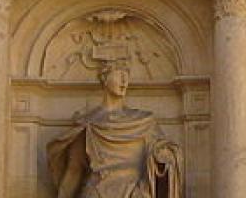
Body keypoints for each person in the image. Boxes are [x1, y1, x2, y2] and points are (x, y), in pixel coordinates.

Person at [47, 62, 183, 197]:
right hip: (97, 191)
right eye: (118, 74)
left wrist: (166, 155)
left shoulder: (144, 121)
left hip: (134, 192)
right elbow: (74, 171)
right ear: (104, 79)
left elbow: (162, 155)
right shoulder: (89, 123)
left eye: (126, 75)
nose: (124, 80)